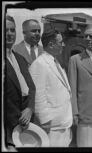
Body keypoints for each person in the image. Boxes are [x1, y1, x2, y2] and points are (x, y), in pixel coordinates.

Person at [29, 29, 73, 147]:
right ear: (51, 44)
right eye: (60, 42)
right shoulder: (39, 64)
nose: (63, 45)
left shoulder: (55, 62)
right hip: (51, 127)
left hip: (63, 123)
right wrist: (45, 121)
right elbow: (37, 95)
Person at [4, 15, 36, 150]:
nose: (9, 34)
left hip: (27, 121)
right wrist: (17, 119)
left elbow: (32, 88)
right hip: (8, 125)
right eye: (5, 30)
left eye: (12, 30)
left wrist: (29, 109)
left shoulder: (20, 58)